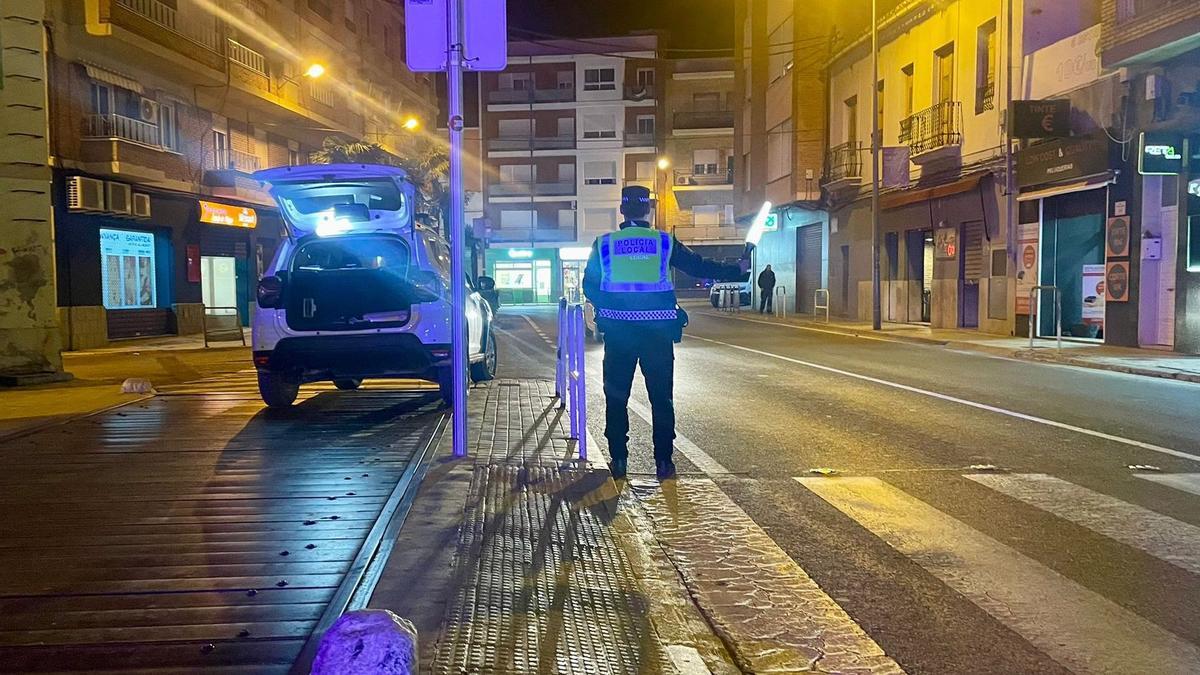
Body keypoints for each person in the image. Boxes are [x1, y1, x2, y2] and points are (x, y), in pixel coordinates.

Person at [583, 185, 749, 481]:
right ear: (649, 210)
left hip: (619, 335)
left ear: (622, 210)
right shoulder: (663, 242)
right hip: (657, 335)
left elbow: (590, 286)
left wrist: (609, 311)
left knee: (616, 397)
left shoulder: (605, 243)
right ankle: (663, 463)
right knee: (661, 399)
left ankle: (619, 461)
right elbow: (698, 266)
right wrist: (737, 269)